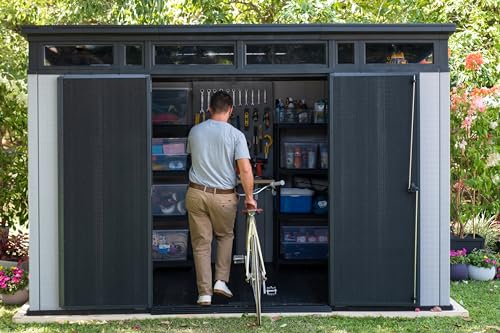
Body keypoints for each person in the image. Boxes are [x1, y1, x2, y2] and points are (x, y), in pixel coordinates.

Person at [186, 90, 257, 306]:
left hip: (196, 193)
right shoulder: (236, 135)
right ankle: (220, 281)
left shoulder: (194, 131)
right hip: (224, 197)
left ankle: (204, 293)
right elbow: (244, 170)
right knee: (225, 236)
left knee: (201, 244)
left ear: (209, 108)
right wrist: (250, 197)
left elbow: (194, 158)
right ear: (231, 110)